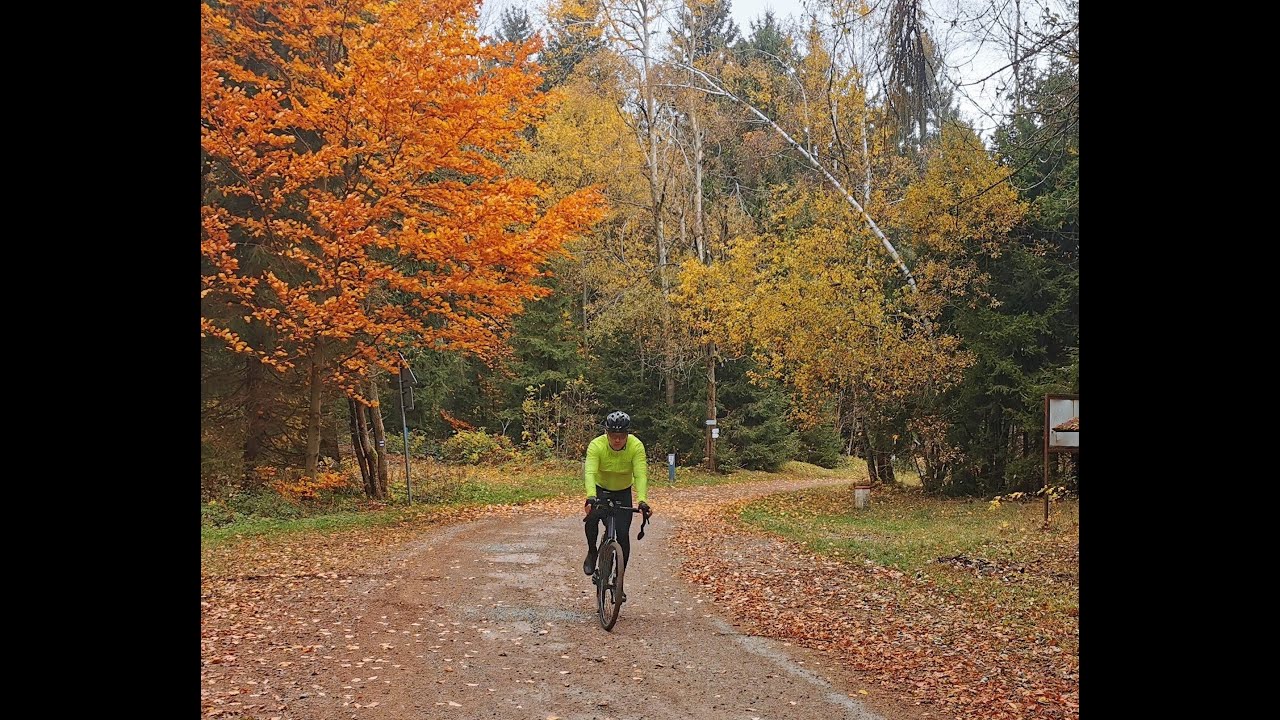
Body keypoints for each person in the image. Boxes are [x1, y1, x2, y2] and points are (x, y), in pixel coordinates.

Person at [582, 411, 652, 589]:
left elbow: (640, 475)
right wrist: (591, 497)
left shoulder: (636, 446)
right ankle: (592, 551)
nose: (617, 440)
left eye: (622, 435)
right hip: (600, 490)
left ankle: (618, 580)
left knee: (623, 536)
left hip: (623, 492)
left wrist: (642, 500)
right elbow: (590, 472)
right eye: (613, 435)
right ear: (606, 433)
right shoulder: (596, 445)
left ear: (628, 434)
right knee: (591, 519)